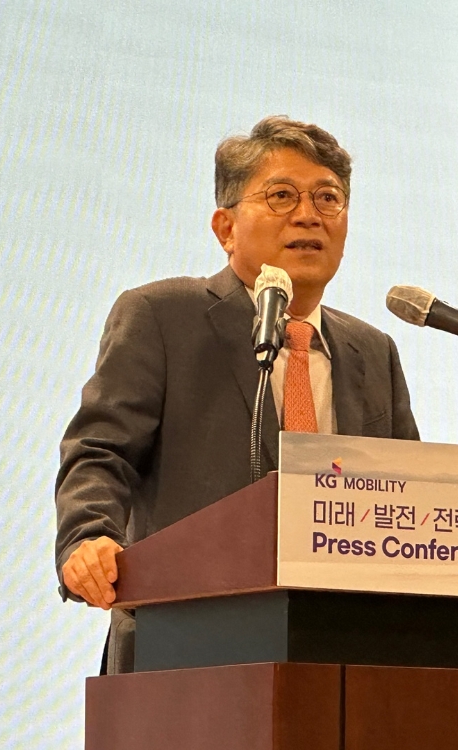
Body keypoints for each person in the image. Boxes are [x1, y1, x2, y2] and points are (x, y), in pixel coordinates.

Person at [55, 115, 419, 674]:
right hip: (182, 646)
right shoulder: (163, 317)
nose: (309, 215)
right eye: (282, 196)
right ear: (225, 228)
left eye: (328, 198)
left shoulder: (373, 352)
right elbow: (101, 450)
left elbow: (405, 498)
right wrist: (89, 536)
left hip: (340, 655)